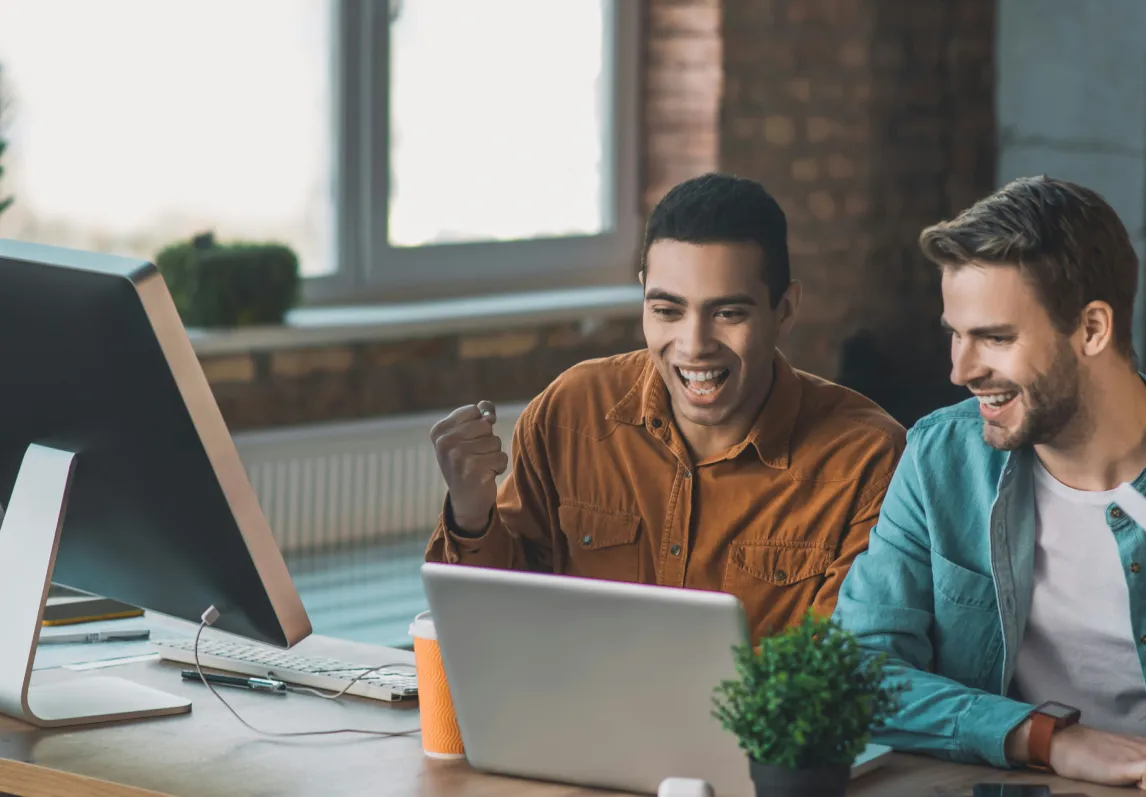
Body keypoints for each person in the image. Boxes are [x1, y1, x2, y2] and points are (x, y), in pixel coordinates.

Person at [424, 173, 905, 642]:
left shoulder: (865, 460)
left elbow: (840, 675)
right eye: (667, 311)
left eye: (728, 313)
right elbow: (489, 622)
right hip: (572, 717)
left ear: (785, 309)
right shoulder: (571, 412)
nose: (693, 346)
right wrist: (472, 512)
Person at [833, 175, 1146, 789]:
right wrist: (1046, 738)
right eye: (955, 333)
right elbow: (856, 672)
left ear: (1092, 329)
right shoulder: (940, 459)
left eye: (995, 338)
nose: (960, 369)